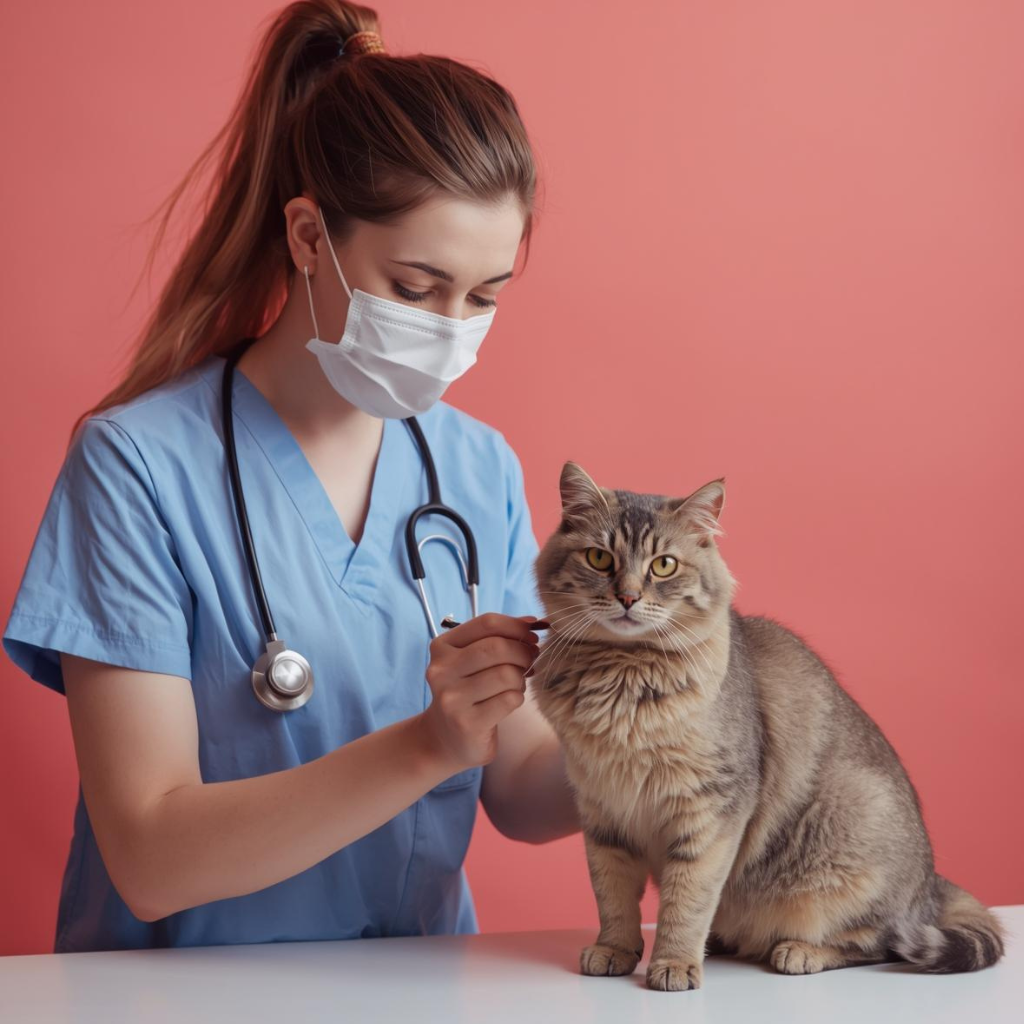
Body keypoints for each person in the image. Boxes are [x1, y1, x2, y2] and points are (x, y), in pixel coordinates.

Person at [2, 0, 580, 953]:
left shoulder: (476, 470)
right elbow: (150, 858)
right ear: (311, 238)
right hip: (176, 1005)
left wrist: (672, 742)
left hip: (414, 994)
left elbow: (516, 784)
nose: (450, 328)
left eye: (482, 297)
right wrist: (429, 744)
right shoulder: (137, 467)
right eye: (414, 286)